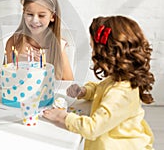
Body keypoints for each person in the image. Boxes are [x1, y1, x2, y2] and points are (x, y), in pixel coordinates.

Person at [43, 16, 155, 149]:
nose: (92, 54)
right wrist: (85, 91)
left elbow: (92, 128)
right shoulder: (118, 80)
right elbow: (101, 89)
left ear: (106, 52)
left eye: (93, 48)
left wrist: (63, 117)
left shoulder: (121, 93)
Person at [5, 0, 73, 80]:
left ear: (52, 16)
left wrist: (43, 66)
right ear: (23, 13)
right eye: (30, 14)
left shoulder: (58, 46)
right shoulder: (14, 42)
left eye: (41, 15)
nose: (34, 20)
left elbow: (69, 83)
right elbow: (7, 78)